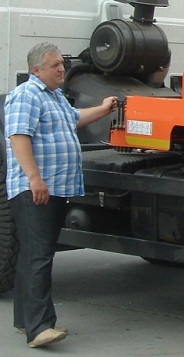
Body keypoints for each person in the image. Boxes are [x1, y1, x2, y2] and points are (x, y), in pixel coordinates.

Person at [4, 42, 117, 348]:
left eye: (61, 65)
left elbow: (74, 118)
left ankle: (24, 319)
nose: (61, 69)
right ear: (36, 69)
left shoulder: (53, 97)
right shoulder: (26, 95)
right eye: (54, 65)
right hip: (35, 190)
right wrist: (34, 178)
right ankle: (40, 328)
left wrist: (103, 109)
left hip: (54, 188)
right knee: (39, 255)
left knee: (32, 253)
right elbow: (18, 136)